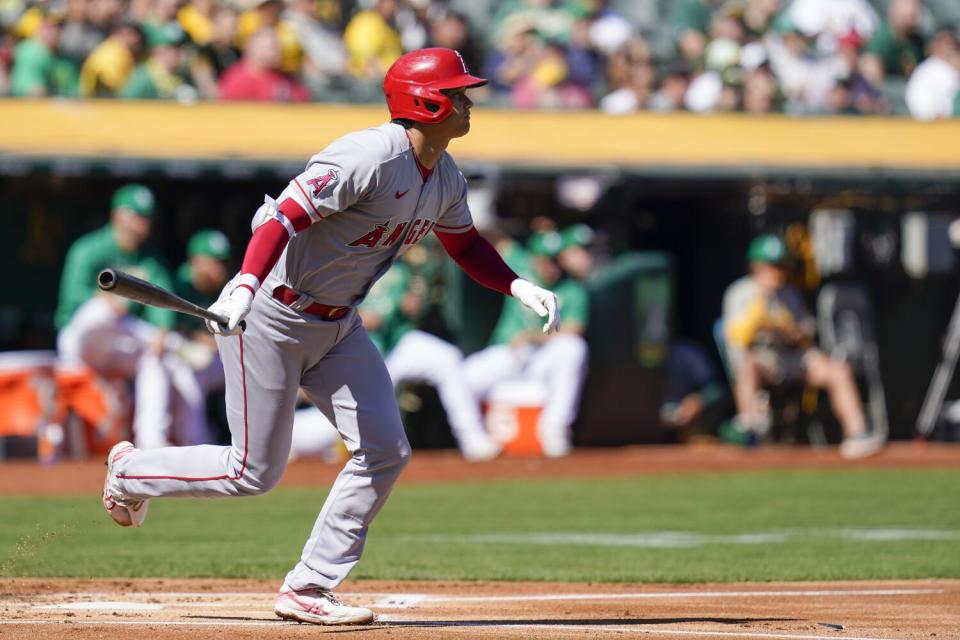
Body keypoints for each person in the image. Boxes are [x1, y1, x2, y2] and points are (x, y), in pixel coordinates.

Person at [100, 48, 559, 625]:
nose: (468, 102)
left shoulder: (444, 176)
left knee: (386, 449)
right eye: (458, 92)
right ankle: (130, 472)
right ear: (427, 101)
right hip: (269, 312)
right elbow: (282, 215)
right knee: (252, 472)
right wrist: (244, 284)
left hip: (338, 323)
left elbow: (464, 243)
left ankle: (309, 586)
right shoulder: (368, 154)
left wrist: (517, 286)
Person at [721, 234, 884, 459]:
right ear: (756, 266)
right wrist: (761, 308)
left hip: (792, 358)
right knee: (747, 364)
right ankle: (750, 428)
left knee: (838, 370)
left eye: (780, 266)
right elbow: (736, 338)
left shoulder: (789, 293)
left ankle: (857, 434)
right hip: (762, 359)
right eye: (771, 266)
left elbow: (806, 335)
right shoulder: (740, 292)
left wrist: (791, 330)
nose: (777, 272)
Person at [55, 184, 190, 449]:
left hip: (119, 341)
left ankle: (152, 439)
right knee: (104, 311)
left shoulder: (151, 261)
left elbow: (162, 306)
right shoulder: (89, 248)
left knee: (158, 353)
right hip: (80, 343)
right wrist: (104, 297)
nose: (143, 223)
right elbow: (71, 297)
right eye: (137, 215)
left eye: (147, 217)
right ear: (118, 215)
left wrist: (163, 332)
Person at [463, 225, 590, 457]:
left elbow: (574, 330)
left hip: (542, 359)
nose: (550, 265)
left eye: (555, 259)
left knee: (573, 348)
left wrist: (532, 336)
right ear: (534, 257)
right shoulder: (519, 265)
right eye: (545, 259)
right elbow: (491, 237)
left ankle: (555, 431)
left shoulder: (571, 288)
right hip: (507, 355)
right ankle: (475, 441)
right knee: (463, 376)